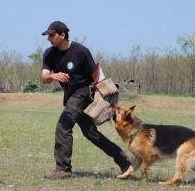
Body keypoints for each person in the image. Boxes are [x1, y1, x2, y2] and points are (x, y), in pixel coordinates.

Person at [41, 21, 130, 179]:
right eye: (48, 35)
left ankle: (63, 170)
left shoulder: (81, 51)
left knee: (63, 126)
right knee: (91, 134)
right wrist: (53, 76)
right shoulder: (49, 53)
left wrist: (94, 97)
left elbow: (95, 76)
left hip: (83, 94)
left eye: (52, 35)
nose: (49, 38)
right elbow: (44, 78)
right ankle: (125, 162)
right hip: (70, 97)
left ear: (62, 35)